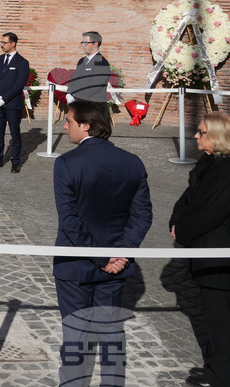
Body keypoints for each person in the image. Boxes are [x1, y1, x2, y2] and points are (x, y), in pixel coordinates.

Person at [53, 100, 152, 386]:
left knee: (76, 337)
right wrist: (120, 254)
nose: (64, 125)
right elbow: (142, 215)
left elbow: (69, 221)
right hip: (116, 266)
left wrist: (104, 258)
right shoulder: (131, 162)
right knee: (111, 336)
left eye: (68, 120)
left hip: (76, 266)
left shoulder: (67, 163)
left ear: (85, 125)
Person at [169, 112, 230, 387]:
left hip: (221, 255)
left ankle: (222, 378)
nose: (196, 136)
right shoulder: (211, 162)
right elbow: (190, 196)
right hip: (209, 251)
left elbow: (209, 212)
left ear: (218, 137)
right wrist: (176, 220)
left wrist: (183, 231)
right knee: (214, 318)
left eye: (201, 132)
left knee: (220, 320)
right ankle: (215, 368)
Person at [0, 32, 30, 173]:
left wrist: (4, 98)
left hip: (12, 104)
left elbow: (19, 84)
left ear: (13, 44)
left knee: (14, 133)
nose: (2, 45)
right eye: (2, 42)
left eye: (5, 43)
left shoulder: (22, 62)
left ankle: (15, 161)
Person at [67, 31, 112, 104]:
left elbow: (95, 86)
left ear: (95, 44)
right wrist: (69, 94)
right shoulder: (81, 61)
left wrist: (76, 97)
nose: (83, 45)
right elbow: (74, 80)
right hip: (78, 105)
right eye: (82, 43)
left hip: (93, 106)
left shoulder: (102, 63)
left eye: (86, 43)